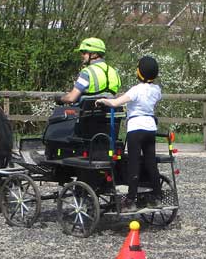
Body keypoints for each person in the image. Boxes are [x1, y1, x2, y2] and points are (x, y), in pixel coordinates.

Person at [96, 56, 162, 213]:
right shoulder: (157, 90)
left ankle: (131, 200)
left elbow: (115, 103)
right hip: (150, 128)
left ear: (139, 72)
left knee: (133, 164)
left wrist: (102, 100)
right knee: (150, 163)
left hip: (136, 128)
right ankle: (157, 196)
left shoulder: (136, 90)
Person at [56, 37, 121, 105]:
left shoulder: (87, 72)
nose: (81, 55)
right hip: (108, 111)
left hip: (87, 112)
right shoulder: (113, 71)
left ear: (94, 54)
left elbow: (72, 98)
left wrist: (60, 99)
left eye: (84, 52)